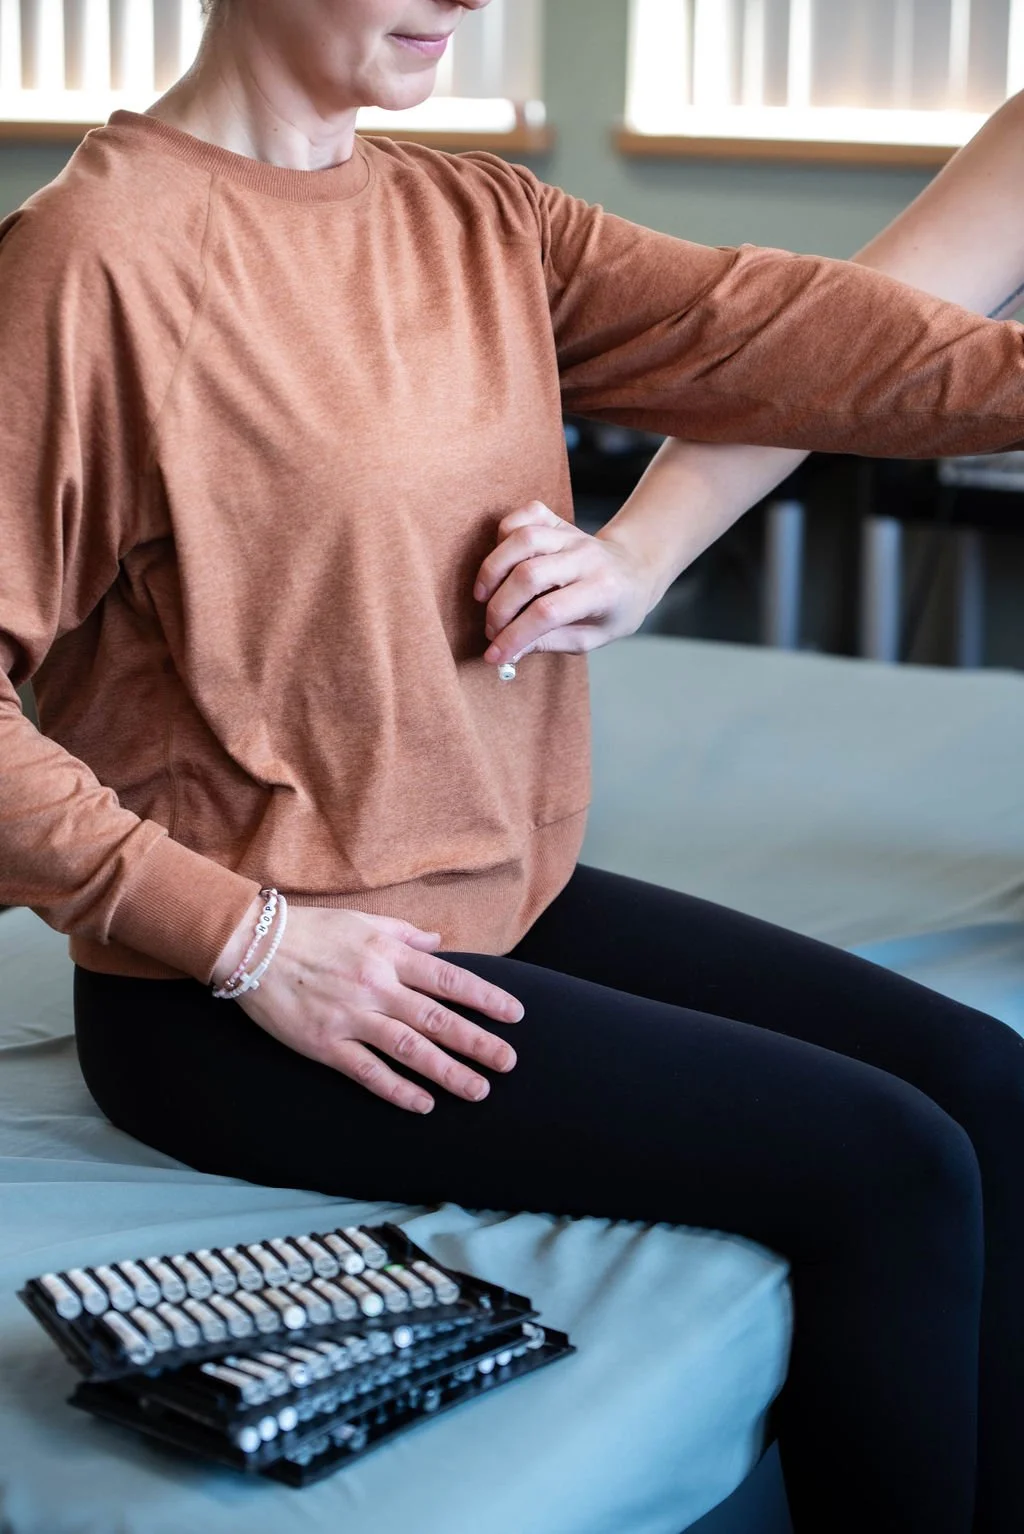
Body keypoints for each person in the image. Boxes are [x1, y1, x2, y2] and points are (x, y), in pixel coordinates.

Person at [2, 2, 1024, 1528]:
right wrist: (245, 938)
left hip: (498, 898)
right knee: (893, 1168)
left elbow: (795, 336)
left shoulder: (471, 212)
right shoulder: (96, 259)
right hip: (237, 998)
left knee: (989, 1086)